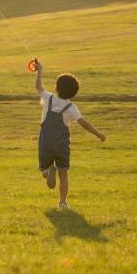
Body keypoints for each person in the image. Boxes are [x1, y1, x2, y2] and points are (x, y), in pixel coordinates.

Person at [34, 60, 106, 210]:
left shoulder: (49, 98)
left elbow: (38, 87)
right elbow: (84, 123)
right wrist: (98, 134)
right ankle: (63, 202)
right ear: (73, 93)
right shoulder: (71, 107)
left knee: (43, 168)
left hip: (45, 142)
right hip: (61, 145)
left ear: (56, 87)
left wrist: (39, 70)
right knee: (64, 174)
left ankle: (47, 171)